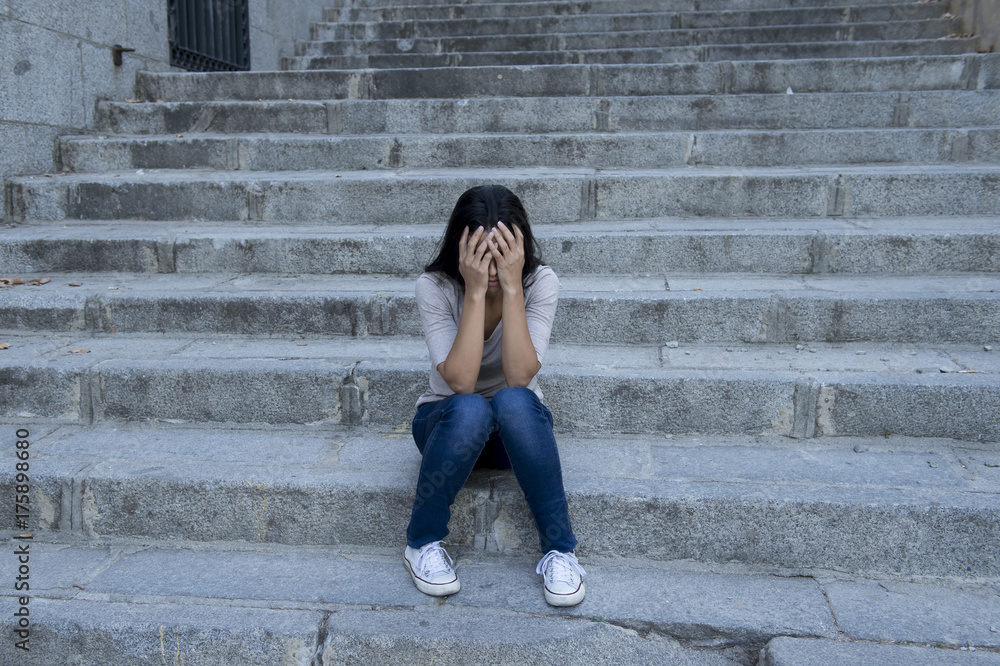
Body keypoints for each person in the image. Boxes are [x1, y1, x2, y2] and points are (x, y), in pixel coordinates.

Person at [403, 184, 586, 607]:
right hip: (446, 427)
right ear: (460, 246)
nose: (491, 266)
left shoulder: (540, 282)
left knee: (513, 399)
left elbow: (520, 376)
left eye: (501, 253)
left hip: (514, 434)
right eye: (481, 254)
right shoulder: (435, 286)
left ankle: (561, 551)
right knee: (470, 407)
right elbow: (462, 382)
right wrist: (474, 292)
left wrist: (512, 288)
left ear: (519, 248)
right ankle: (421, 542)